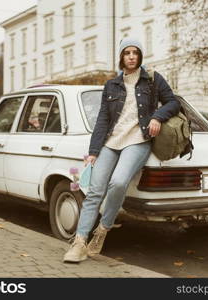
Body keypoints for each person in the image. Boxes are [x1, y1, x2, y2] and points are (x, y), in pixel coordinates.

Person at [63, 37, 180, 262]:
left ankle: (103, 230)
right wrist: (93, 152)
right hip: (111, 141)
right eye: (127, 52)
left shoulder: (153, 80)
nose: (131, 56)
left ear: (140, 56)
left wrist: (157, 116)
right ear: (121, 57)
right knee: (95, 191)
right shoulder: (111, 85)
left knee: (118, 183)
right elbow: (103, 120)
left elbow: (173, 102)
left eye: (135, 52)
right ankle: (79, 243)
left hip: (137, 140)